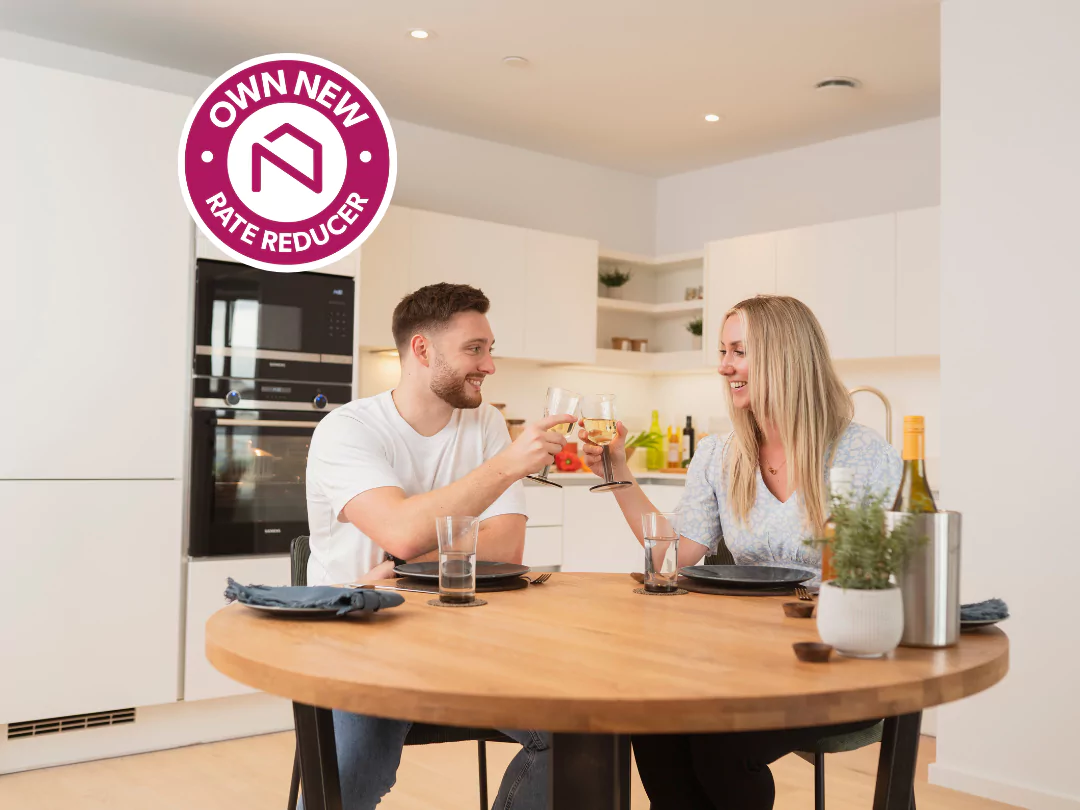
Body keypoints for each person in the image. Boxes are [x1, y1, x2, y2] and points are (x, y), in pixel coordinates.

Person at [579, 294, 902, 810]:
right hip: (744, 657)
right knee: (653, 718)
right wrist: (617, 471)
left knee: (720, 745)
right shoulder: (721, 454)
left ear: (784, 357)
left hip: (833, 659)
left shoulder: (862, 455)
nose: (724, 366)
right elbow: (674, 557)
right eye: (723, 351)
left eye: (739, 352)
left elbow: (869, 579)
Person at [305, 282, 572, 810]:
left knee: (573, 734)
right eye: (474, 349)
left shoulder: (485, 421)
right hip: (361, 638)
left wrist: (399, 563)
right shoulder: (347, 430)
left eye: (489, 349)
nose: (489, 365)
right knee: (351, 784)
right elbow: (402, 529)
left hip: (466, 638)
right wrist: (507, 468)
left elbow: (506, 548)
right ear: (423, 349)